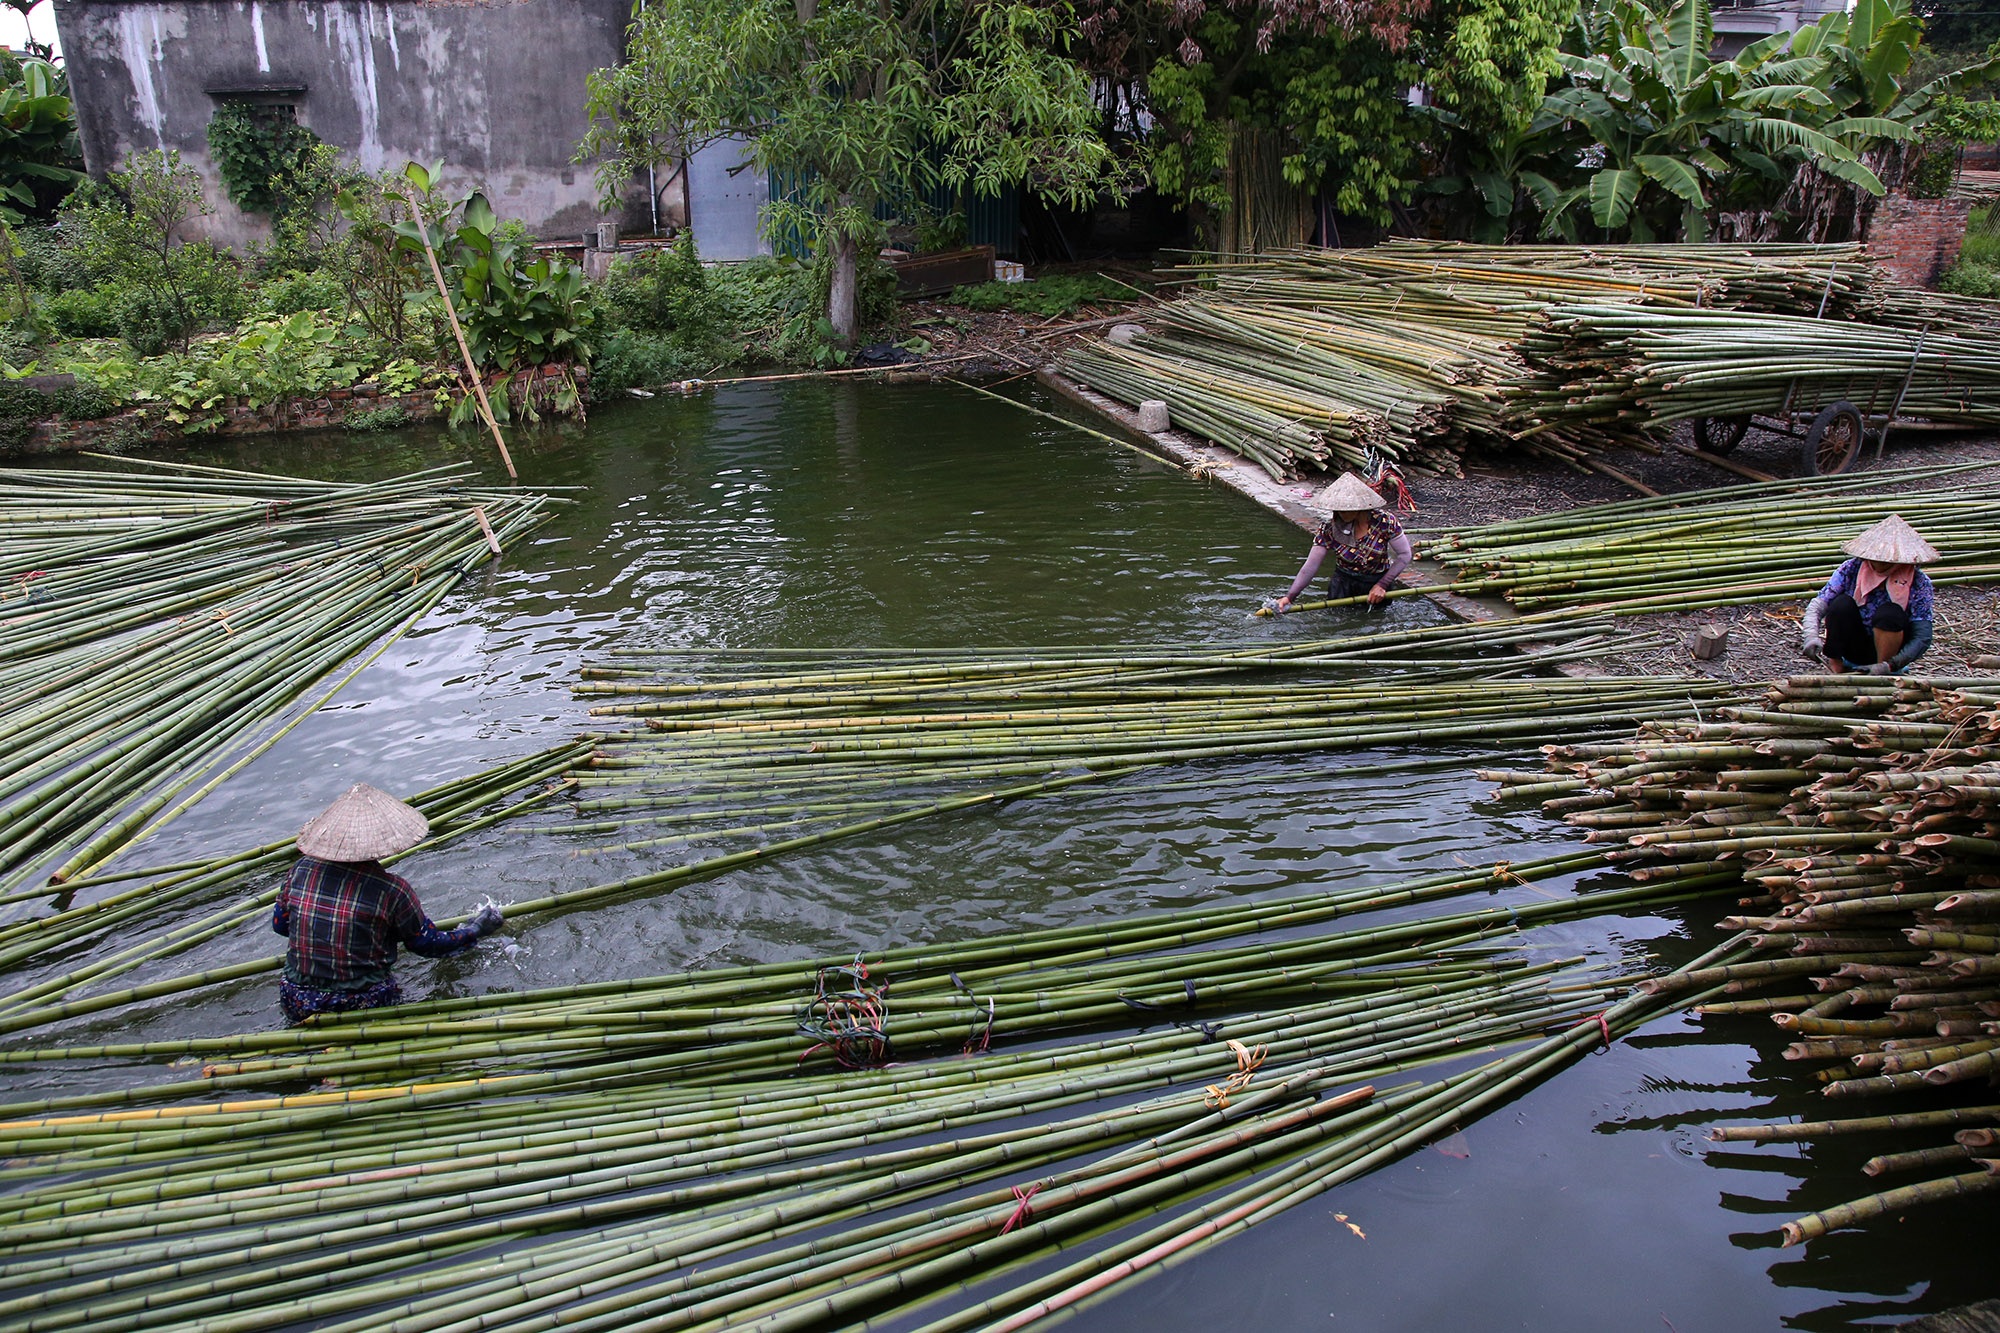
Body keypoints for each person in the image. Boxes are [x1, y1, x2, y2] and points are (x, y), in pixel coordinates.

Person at [273, 782, 503, 1024]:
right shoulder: (392, 890)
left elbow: (280, 925)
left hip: (296, 1000)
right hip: (357, 1004)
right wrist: (475, 930)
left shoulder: (301, 869)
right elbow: (426, 944)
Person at [1800, 514, 1937, 676]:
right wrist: (1811, 636)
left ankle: (1880, 670)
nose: (1879, 563)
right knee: (1841, 604)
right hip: (1853, 644)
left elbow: (1923, 635)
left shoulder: (1918, 581)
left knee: (1890, 613)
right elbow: (1818, 605)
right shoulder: (1851, 568)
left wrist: (1892, 664)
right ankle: (1836, 666)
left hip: (1891, 652)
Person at [1270, 471, 1413, 614]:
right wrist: (1290, 597)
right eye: (1337, 510)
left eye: (1344, 510)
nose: (1339, 514)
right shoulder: (1329, 529)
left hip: (1377, 584)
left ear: (1359, 508)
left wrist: (1383, 584)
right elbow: (1310, 566)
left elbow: (1404, 555)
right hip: (1343, 585)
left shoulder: (1384, 522)